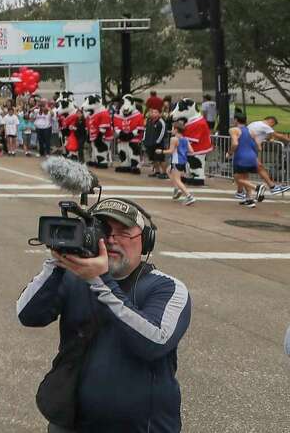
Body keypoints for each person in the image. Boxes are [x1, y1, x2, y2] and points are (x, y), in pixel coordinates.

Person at [17, 198, 190, 432]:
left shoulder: (167, 288)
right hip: (70, 422)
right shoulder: (74, 277)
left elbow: (154, 341)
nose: (111, 239)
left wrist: (100, 280)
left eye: (124, 232)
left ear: (146, 241)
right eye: (103, 230)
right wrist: (57, 261)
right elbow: (28, 315)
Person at [162, 120, 196, 205]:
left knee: (177, 179)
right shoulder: (185, 139)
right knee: (168, 170)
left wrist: (161, 151)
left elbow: (171, 151)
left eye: (173, 128)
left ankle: (189, 196)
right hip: (183, 160)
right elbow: (192, 151)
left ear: (176, 130)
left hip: (176, 161)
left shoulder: (173, 139)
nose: (172, 130)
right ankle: (177, 189)